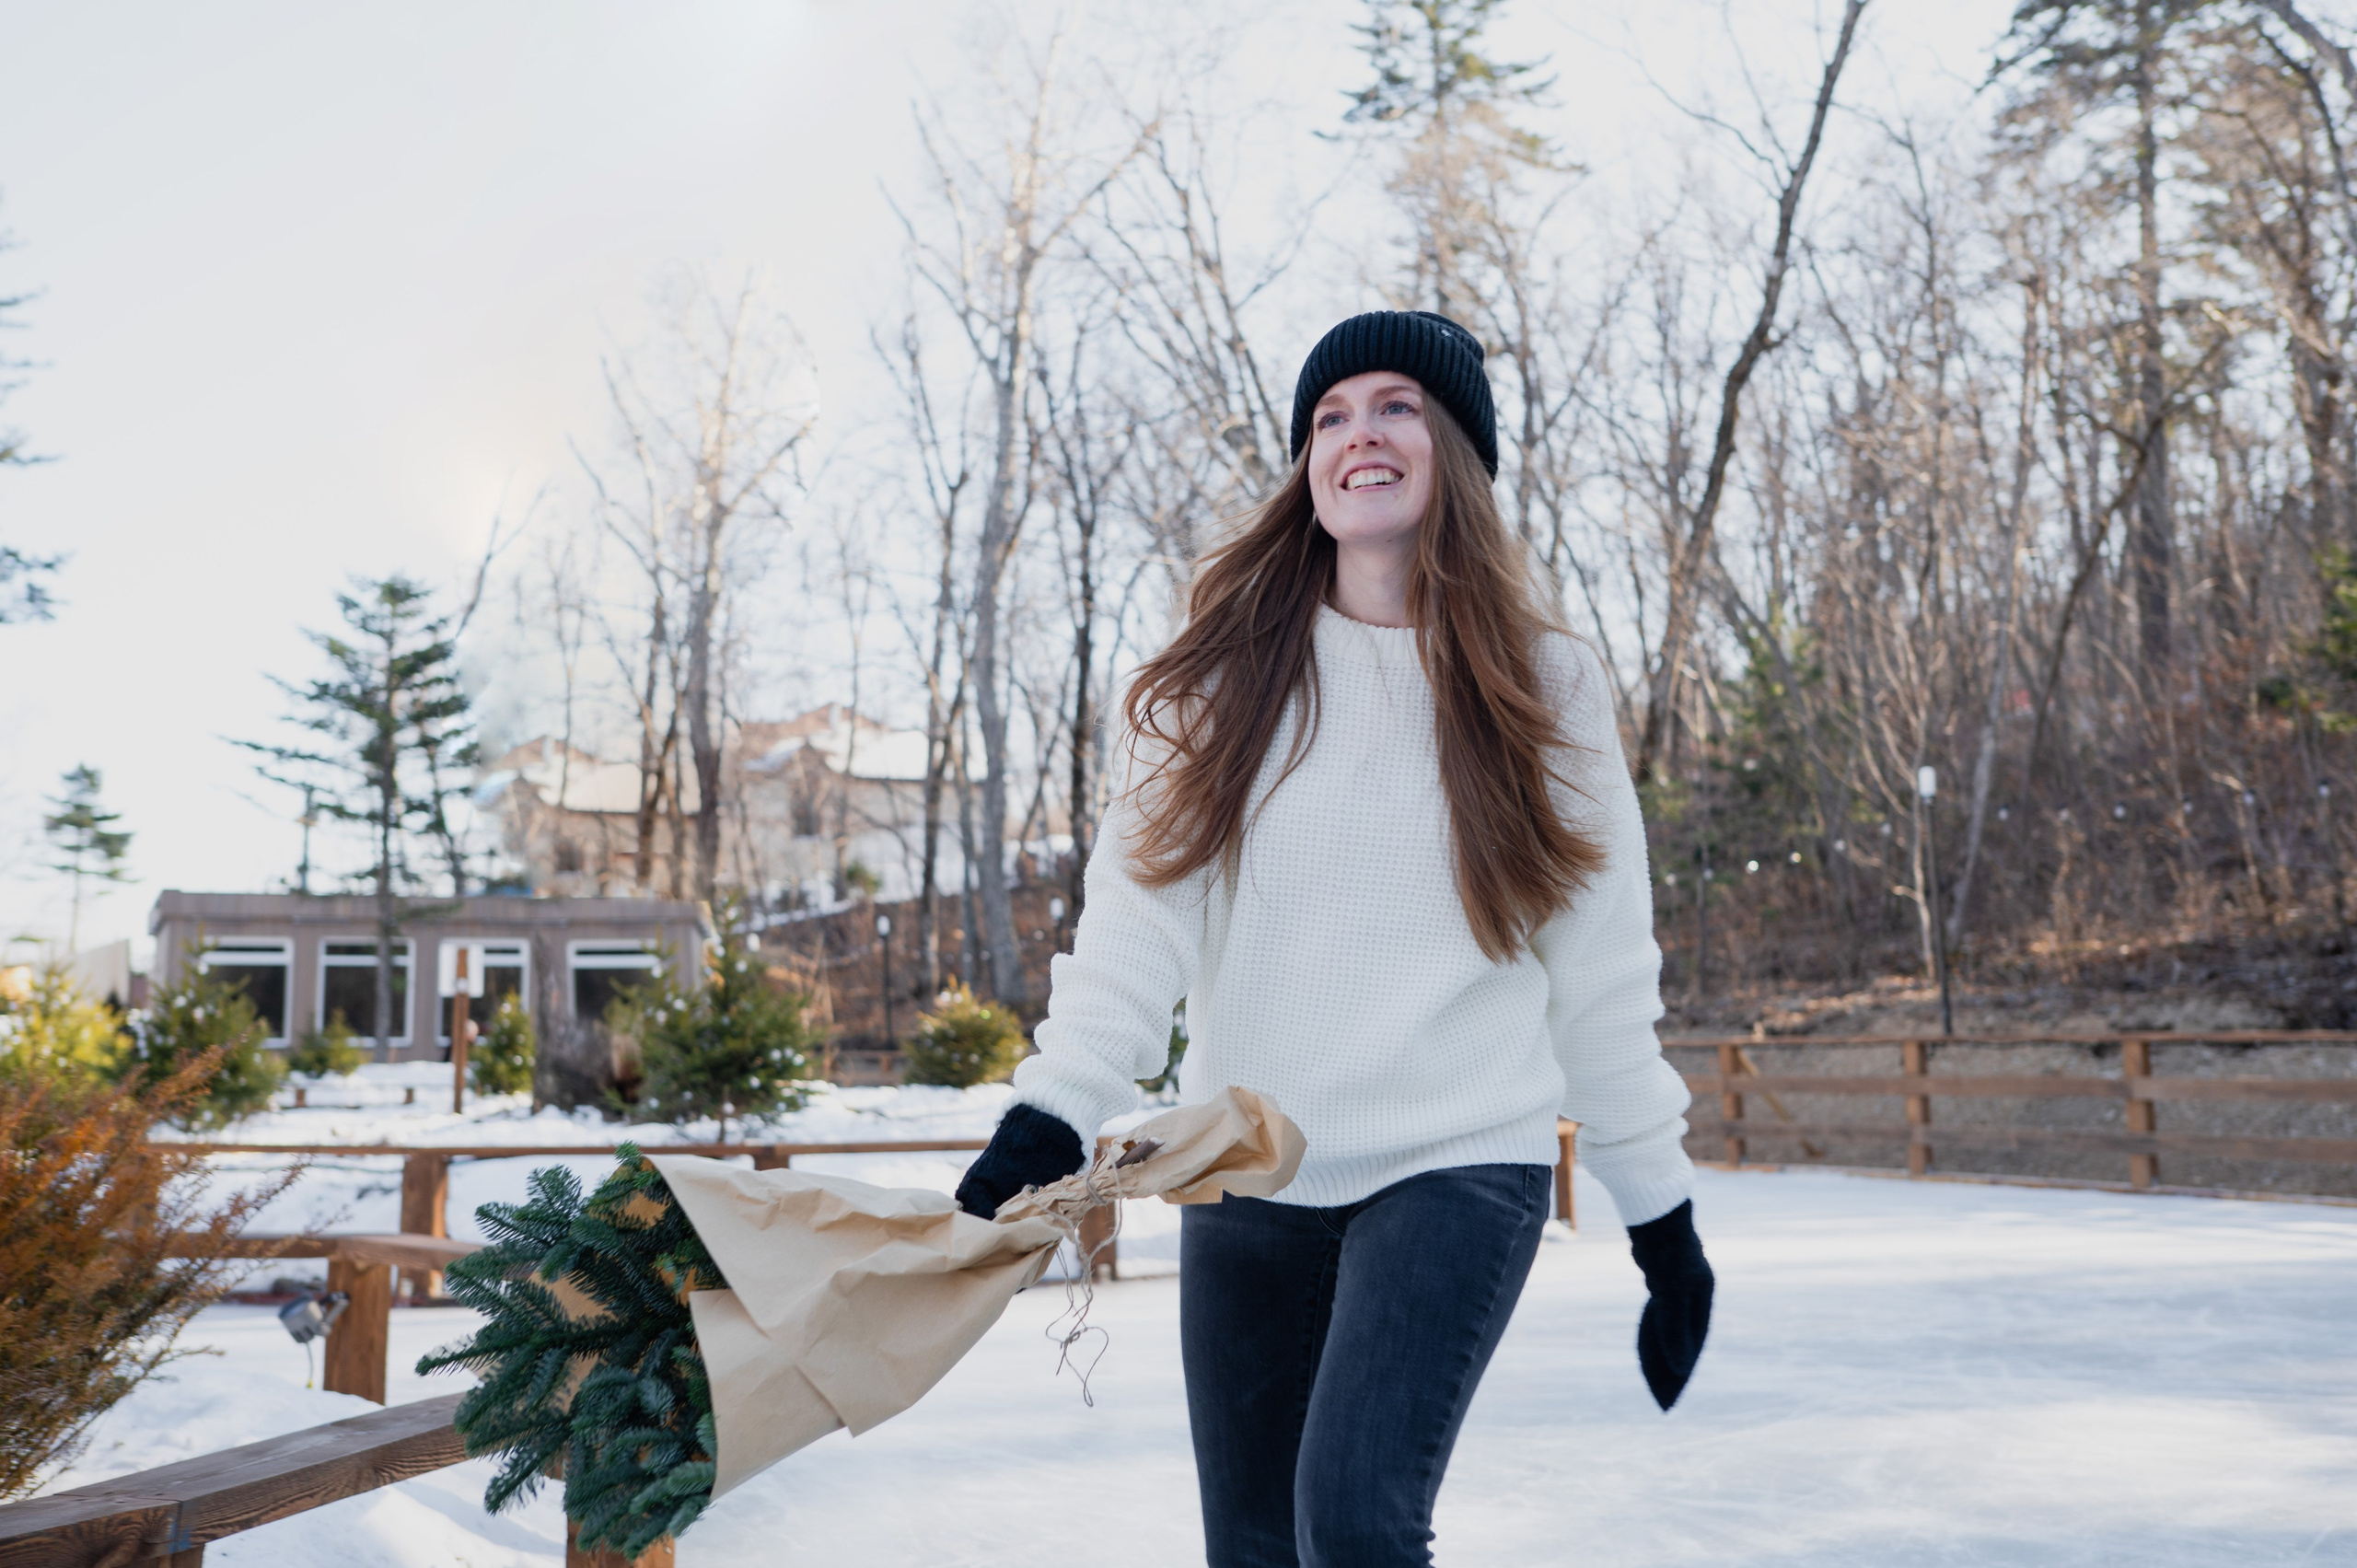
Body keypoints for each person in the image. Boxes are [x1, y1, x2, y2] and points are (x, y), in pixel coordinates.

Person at [956, 309, 1713, 1568]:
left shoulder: (1545, 688)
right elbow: (1139, 927)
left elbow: (1600, 978)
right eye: (1329, 415)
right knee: (1252, 1549)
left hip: (1459, 1160)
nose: (1359, 433)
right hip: (1247, 1163)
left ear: (1456, 449)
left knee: (1357, 1523)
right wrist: (1051, 1111)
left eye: (1396, 405)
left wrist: (1662, 1220)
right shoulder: (1213, 689)